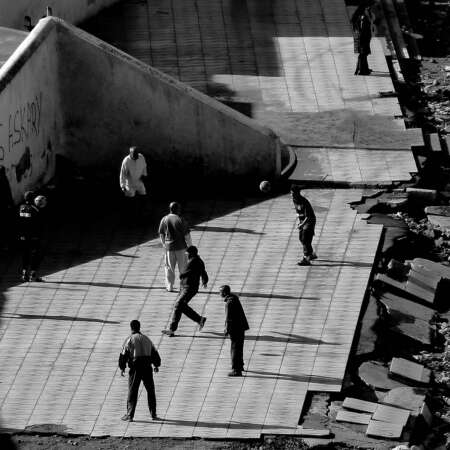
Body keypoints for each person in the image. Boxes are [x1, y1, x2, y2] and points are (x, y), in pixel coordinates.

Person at [119, 320, 161, 422]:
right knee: (150, 391)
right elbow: (155, 353)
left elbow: (123, 354)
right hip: (147, 366)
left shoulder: (129, 339)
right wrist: (156, 365)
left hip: (136, 367)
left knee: (133, 391)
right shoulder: (147, 339)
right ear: (139, 327)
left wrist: (122, 367)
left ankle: (130, 415)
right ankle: (153, 414)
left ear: (131, 328)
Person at [162, 246, 208, 337]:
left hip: (189, 287)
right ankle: (199, 320)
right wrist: (204, 280)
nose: (186, 255)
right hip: (186, 287)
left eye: (187, 254)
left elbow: (187, 272)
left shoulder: (194, 261)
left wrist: (182, 275)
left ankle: (172, 329)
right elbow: (203, 272)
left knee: (179, 305)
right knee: (180, 306)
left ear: (191, 253)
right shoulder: (198, 260)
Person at [158, 202, 192, 292]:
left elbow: (161, 234)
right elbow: (187, 236)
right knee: (183, 267)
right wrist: (190, 247)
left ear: (170, 209)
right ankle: (183, 286)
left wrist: (164, 245)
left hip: (169, 248)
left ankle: (170, 286)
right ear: (178, 209)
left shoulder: (164, 219)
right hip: (181, 247)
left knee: (169, 267)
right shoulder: (181, 219)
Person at [220, 285, 249, 377]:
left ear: (224, 293)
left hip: (235, 328)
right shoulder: (234, 298)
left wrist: (226, 330)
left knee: (235, 349)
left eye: (220, 292)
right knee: (239, 347)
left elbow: (229, 318)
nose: (219, 294)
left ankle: (236, 370)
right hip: (241, 327)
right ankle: (240, 365)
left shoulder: (229, 303)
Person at [17, 191, 45, 281]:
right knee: (35, 254)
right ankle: (33, 274)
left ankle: (24, 274)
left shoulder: (21, 208)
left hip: (23, 236)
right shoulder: (35, 209)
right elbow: (39, 224)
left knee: (25, 254)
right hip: (33, 236)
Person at [290, 185, 317, 266]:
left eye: (293, 193)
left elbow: (308, 216)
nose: (292, 195)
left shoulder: (304, 201)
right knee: (301, 238)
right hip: (303, 221)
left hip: (309, 221)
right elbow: (299, 212)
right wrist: (300, 222)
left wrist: (302, 224)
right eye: (291, 193)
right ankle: (311, 254)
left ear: (298, 193)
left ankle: (306, 258)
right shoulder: (294, 200)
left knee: (305, 238)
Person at [119, 146, 148, 216]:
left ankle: (143, 213)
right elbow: (122, 174)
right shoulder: (126, 161)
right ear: (130, 154)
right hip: (129, 183)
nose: (136, 157)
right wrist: (122, 185)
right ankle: (131, 215)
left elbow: (144, 167)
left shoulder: (141, 157)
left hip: (139, 181)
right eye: (134, 155)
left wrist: (144, 175)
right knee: (131, 199)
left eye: (137, 154)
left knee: (143, 193)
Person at [352, 1, 375, 76]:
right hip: (362, 37)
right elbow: (362, 29)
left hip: (363, 37)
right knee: (363, 54)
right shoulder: (362, 17)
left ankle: (363, 69)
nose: (370, 8)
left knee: (364, 54)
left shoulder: (365, 14)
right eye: (369, 6)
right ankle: (362, 70)